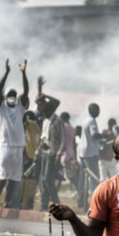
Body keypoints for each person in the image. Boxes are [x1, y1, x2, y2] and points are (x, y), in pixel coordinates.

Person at [0, 58, 29, 209]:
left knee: (14, 178)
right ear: (5, 96)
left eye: (15, 94)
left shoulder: (20, 108)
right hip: (5, 146)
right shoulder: (1, 109)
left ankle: (7, 202)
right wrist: (6, 73)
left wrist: (24, 73)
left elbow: (26, 91)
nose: (13, 96)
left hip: (18, 146)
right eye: (10, 94)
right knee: (3, 176)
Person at [35, 77, 65, 211]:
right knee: (43, 180)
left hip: (53, 154)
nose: (43, 114)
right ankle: (43, 205)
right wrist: (37, 152)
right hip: (44, 152)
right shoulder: (45, 120)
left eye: (44, 112)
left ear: (49, 111)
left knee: (48, 179)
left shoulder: (57, 121)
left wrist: (59, 154)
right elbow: (43, 138)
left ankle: (56, 202)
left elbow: (63, 139)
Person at [77, 103, 106, 209]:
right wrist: (105, 135)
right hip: (90, 153)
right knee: (94, 178)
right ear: (93, 111)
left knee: (82, 178)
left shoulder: (85, 120)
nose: (99, 112)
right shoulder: (92, 121)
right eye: (97, 110)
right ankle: (94, 203)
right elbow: (94, 135)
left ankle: (80, 201)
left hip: (82, 152)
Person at [20, 111, 41, 210]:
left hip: (27, 157)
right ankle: (29, 202)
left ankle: (21, 201)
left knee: (24, 178)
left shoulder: (30, 124)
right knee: (31, 180)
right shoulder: (38, 127)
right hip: (34, 157)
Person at [59, 112, 78, 188]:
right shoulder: (72, 128)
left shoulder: (62, 127)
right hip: (70, 154)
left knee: (58, 174)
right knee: (70, 175)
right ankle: (79, 190)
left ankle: (54, 194)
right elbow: (74, 144)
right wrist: (75, 156)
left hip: (62, 154)